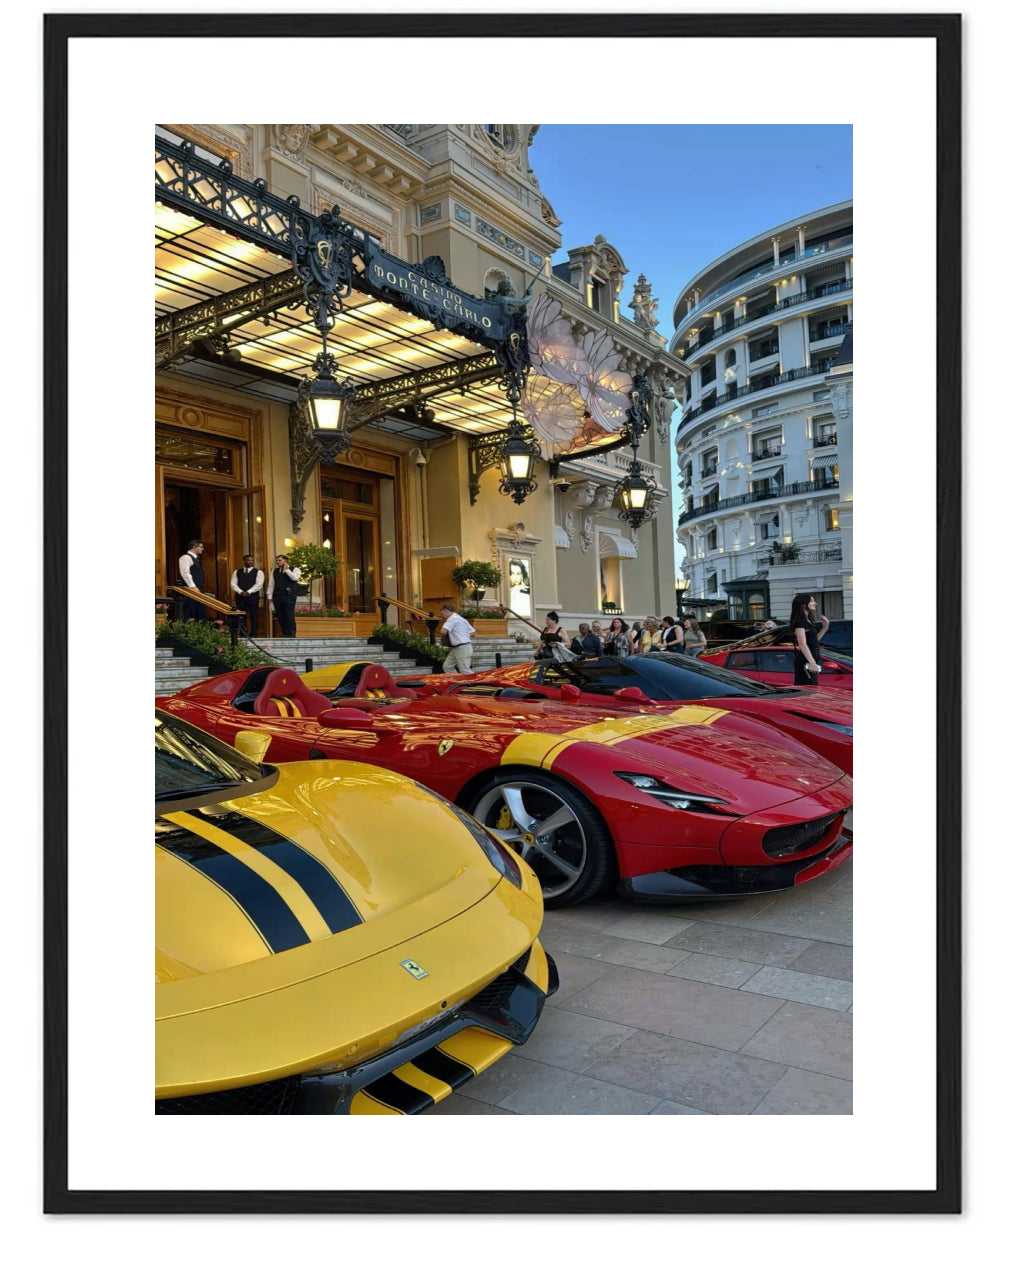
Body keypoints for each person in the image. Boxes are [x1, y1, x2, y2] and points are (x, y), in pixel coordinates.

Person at [789, 593, 830, 686]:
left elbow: (814, 641)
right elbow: (802, 643)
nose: (815, 603)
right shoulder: (799, 621)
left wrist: (825, 627)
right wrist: (812, 662)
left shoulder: (809, 621)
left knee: (813, 686)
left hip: (813, 659)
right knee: (808, 687)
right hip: (805, 662)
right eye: (811, 601)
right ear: (804, 604)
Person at [267, 553, 302, 637]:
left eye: (280, 560)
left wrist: (287, 570)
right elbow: (271, 584)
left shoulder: (295, 569)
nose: (277, 562)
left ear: (285, 561)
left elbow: (294, 578)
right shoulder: (274, 571)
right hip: (277, 596)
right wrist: (269, 596)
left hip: (289, 596)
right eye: (277, 561)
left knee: (289, 614)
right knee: (280, 615)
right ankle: (285, 632)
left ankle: (292, 633)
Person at [230, 554, 264, 636]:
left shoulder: (258, 572)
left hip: (253, 597)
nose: (250, 562)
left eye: (252, 560)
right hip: (240, 596)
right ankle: (243, 632)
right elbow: (233, 583)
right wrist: (240, 592)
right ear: (244, 561)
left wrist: (248, 592)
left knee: (253, 615)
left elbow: (259, 584)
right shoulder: (237, 572)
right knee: (241, 615)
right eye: (248, 560)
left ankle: (253, 633)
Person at [176, 539, 207, 621]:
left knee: (200, 612)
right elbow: (185, 573)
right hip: (191, 590)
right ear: (194, 547)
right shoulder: (186, 557)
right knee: (190, 613)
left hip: (197, 590)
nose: (202, 549)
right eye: (201, 547)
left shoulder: (196, 559)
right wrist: (193, 587)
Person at [440, 603, 476, 673]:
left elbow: (443, 631)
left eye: (443, 613)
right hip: (460, 647)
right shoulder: (462, 619)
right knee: (447, 666)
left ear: (446, 611)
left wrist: (461, 638)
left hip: (462, 647)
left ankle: (476, 683)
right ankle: (457, 681)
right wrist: (463, 637)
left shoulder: (451, 619)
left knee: (464, 669)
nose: (443, 616)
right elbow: (473, 632)